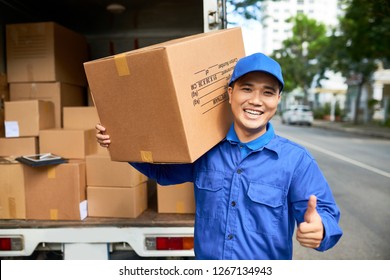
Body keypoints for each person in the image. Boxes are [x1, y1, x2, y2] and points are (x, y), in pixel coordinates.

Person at [96, 52, 343, 260]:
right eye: (247, 89)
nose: (256, 101)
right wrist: (118, 142)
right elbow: (162, 173)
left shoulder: (296, 161)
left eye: (268, 92)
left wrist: (321, 230)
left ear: (278, 99)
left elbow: (325, 215)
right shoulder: (206, 152)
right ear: (230, 93)